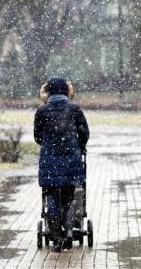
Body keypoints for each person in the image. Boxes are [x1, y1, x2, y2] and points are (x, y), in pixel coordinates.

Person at [34, 77, 89, 251]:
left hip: (49, 162)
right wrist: (79, 147)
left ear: (47, 91)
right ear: (67, 91)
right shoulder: (75, 109)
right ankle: (68, 232)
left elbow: (37, 136)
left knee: (50, 197)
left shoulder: (41, 111)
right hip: (71, 161)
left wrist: (49, 146)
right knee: (69, 197)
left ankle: (56, 238)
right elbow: (84, 133)